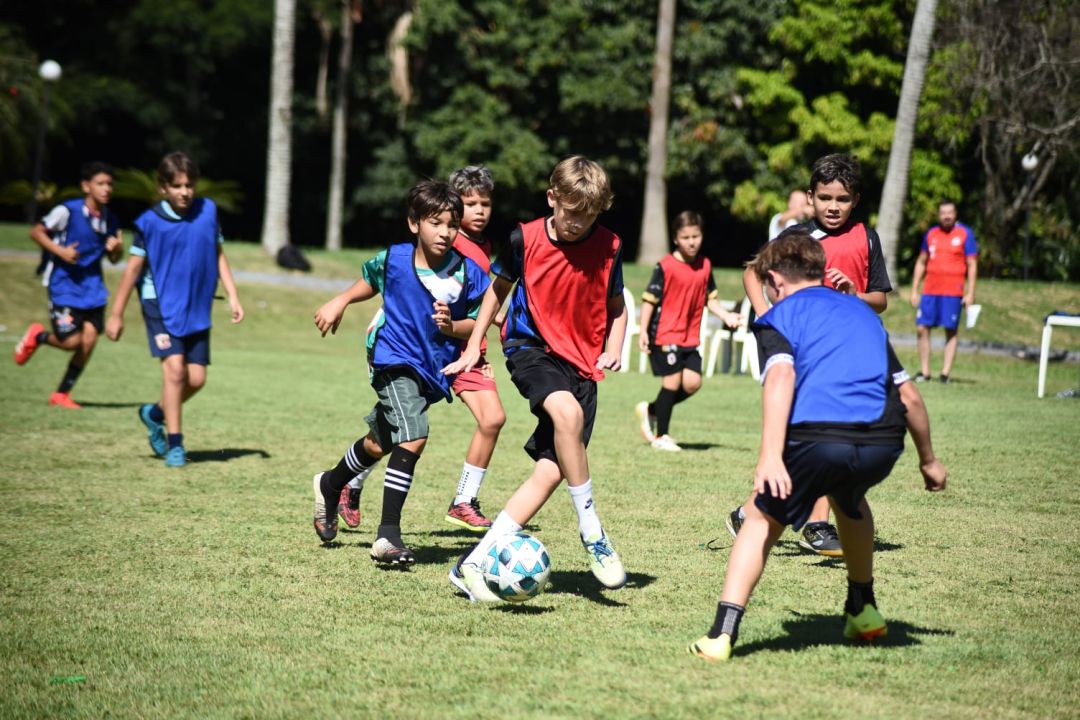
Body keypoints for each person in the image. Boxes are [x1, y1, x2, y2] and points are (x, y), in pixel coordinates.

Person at [689, 229, 946, 661]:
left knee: (761, 519)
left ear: (774, 280)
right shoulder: (862, 313)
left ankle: (720, 634)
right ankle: (863, 610)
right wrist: (929, 460)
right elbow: (909, 396)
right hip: (883, 441)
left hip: (818, 438)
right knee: (849, 498)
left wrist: (770, 455)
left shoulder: (778, 317)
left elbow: (781, 378)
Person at [443, 155, 629, 600]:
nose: (577, 224)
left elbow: (618, 304)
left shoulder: (610, 245)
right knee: (564, 413)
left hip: (583, 364)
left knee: (550, 471)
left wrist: (614, 347)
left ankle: (470, 564)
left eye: (588, 215)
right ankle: (593, 532)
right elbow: (496, 291)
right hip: (531, 348)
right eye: (570, 212)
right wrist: (472, 347)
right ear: (552, 199)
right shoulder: (521, 238)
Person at [310, 180, 490, 565]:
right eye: (435, 223)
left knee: (383, 440)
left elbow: (479, 322)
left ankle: (331, 483)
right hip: (391, 358)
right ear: (414, 224)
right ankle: (388, 535)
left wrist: (451, 328)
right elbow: (369, 281)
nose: (445, 232)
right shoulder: (393, 259)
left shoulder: (470, 273)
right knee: (414, 434)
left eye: (452, 225)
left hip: (431, 368)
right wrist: (340, 300)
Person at [734, 153, 893, 556]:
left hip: (847, 349)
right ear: (811, 197)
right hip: (806, 350)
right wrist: (766, 315)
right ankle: (811, 522)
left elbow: (880, 300)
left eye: (842, 198)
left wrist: (853, 294)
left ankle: (757, 511)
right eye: (825, 198)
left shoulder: (867, 238)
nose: (833, 206)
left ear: (855, 199)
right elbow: (753, 272)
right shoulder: (797, 238)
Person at [105, 152, 244, 468]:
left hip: (196, 307)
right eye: (178, 186)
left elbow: (218, 254)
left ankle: (153, 414)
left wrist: (233, 296)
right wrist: (116, 313)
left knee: (196, 379)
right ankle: (175, 444)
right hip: (161, 305)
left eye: (189, 185)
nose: (185, 192)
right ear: (163, 187)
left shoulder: (207, 211)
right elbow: (132, 270)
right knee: (175, 371)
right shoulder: (149, 222)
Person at [14, 162, 123, 408]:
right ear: (86, 186)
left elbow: (115, 258)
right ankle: (38, 336)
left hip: (93, 289)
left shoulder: (110, 220)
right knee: (71, 342)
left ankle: (61, 394)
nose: (106, 189)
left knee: (89, 341)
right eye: (101, 184)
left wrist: (117, 249)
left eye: (110, 184)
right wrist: (60, 252)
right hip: (64, 286)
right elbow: (37, 232)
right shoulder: (68, 211)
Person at [634, 211, 740, 451]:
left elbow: (710, 299)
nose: (692, 242)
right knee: (671, 383)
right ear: (675, 239)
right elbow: (649, 300)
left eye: (696, 236)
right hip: (664, 334)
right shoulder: (665, 267)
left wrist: (726, 316)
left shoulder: (705, 265)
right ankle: (662, 437)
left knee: (692, 383)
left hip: (689, 336)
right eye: (686, 237)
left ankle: (651, 410)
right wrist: (642, 332)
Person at [909, 200, 978, 384]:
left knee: (951, 330)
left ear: (955, 214)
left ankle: (945, 374)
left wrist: (970, 293)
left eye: (950, 212)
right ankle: (925, 372)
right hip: (930, 289)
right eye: (943, 213)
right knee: (922, 327)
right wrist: (914, 289)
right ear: (939, 215)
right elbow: (921, 261)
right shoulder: (931, 234)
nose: (946, 216)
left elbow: (972, 264)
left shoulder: (965, 234)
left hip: (953, 291)